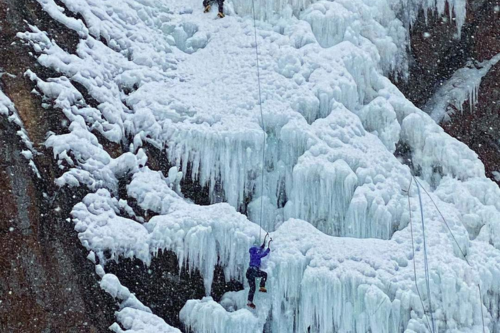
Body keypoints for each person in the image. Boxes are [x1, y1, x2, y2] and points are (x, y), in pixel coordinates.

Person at [246, 234, 272, 309]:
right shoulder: (257, 255)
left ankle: (249, 302)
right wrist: (268, 250)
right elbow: (263, 254)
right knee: (264, 274)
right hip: (254, 270)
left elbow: (259, 250)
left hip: (248, 272)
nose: (258, 251)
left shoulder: (252, 254)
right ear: (255, 251)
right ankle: (262, 287)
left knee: (252, 288)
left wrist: (263, 245)